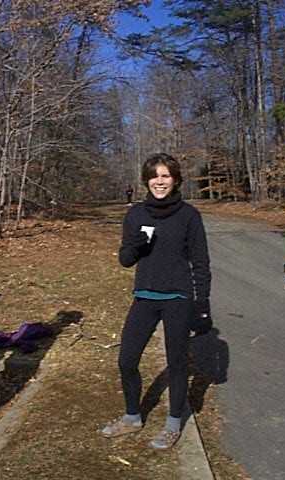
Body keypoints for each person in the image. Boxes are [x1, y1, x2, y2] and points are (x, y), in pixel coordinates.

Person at [101, 153, 211, 450]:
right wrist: (137, 244)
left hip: (178, 296)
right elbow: (125, 260)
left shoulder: (189, 215)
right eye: (154, 176)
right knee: (126, 360)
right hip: (145, 296)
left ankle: (173, 423)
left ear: (175, 180)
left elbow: (201, 263)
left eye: (165, 176)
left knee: (176, 362)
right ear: (146, 180)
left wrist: (203, 306)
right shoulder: (136, 214)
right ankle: (132, 417)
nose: (159, 181)